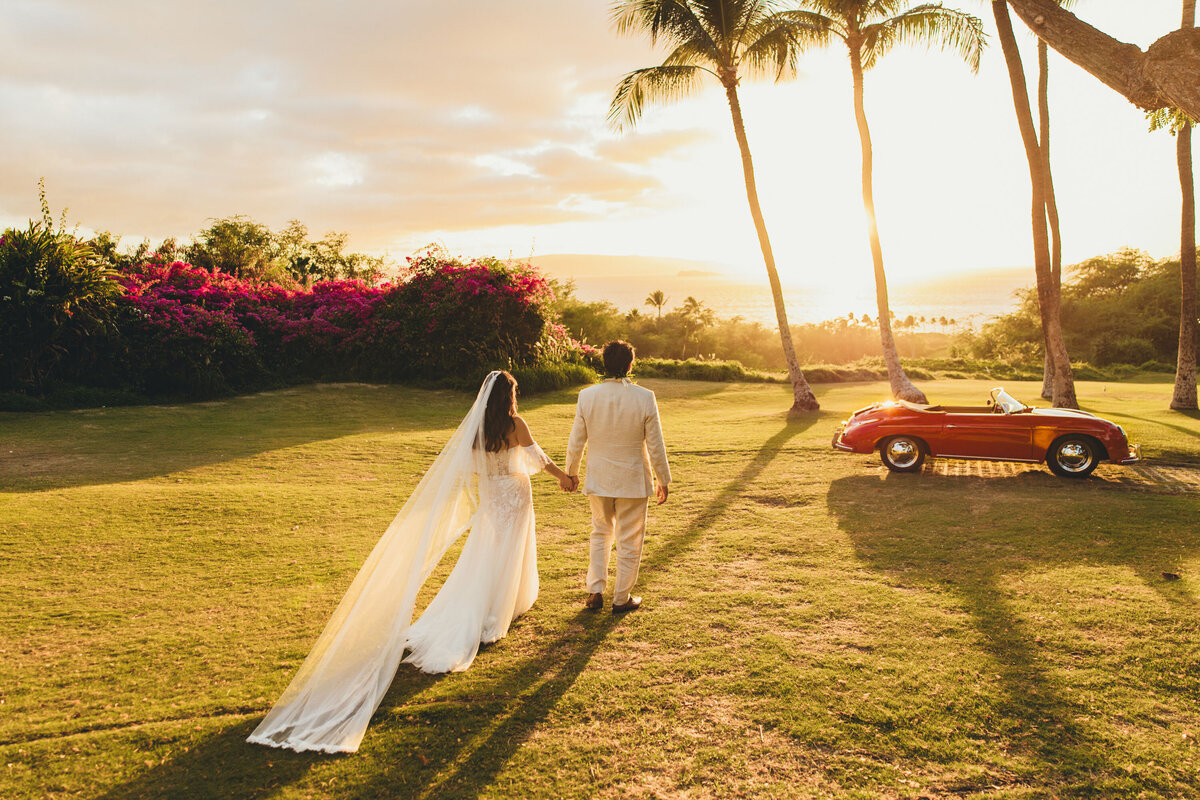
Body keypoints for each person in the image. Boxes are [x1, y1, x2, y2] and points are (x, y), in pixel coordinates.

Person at [247, 370, 574, 754]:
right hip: (515, 495)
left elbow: (470, 467)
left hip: (491, 497)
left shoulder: (479, 428)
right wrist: (562, 477)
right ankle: (498, 610)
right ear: (510, 396)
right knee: (510, 551)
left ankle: (490, 605)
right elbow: (536, 458)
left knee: (487, 552)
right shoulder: (516, 423)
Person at [565, 341, 670, 614]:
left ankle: (595, 590)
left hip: (599, 478)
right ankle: (621, 597)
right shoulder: (644, 396)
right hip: (633, 480)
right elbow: (655, 444)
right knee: (629, 539)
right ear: (630, 365)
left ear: (604, 364)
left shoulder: (587, 396)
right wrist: (663, 479)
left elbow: (576, 440)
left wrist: (571, 472)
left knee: (600, 533)